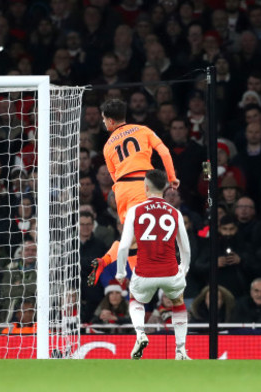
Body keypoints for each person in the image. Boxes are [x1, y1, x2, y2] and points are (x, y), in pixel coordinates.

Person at [88, 99, 179, 286]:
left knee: (133, 239)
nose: (104, 123)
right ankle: (137, 275)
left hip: (122, 191)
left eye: (104, 119)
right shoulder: (143, 130)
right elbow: (164, 152)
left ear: (111, 121)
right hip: (142, 186)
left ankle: (110, 264)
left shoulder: (107, 146)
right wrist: (171, 177)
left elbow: (114, 177)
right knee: (147, 236)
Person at [116, 169, 191, 360]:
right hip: (170, 271)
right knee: (178, 303)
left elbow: (124, 246)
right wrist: (184, 267)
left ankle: (140, 334)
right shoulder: (175, 212)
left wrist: (120, 272)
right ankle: (181, 350)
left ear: (146, 187)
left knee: (136, 300)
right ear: (165, 187)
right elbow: (185, 247)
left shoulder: (135, 211)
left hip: (144, 272)